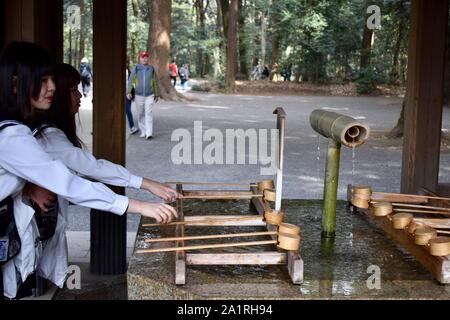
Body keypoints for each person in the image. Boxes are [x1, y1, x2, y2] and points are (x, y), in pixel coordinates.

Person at [0, 41, 178, 299]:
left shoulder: (17, 130)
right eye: (43, 80)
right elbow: (71, 182)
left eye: (53, 80)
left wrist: (27, 186)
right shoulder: (15, 135)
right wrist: (139, 205)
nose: (52, 87)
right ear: (16, 84)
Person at [127, 51, 159, 140]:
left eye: (146, 57)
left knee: (148, 113)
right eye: (142, 57)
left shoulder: (151, 68)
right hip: (138, 95)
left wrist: (157, 94)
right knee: (140, 114)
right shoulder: (136, 68)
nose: (144, 59)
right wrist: (128, 92)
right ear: (140, 59)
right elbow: (131, 80)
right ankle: (143, 130)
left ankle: (149, 133)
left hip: (150, 95)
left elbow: (155, 82)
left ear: (148, 58)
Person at [125, 69, 138, 134]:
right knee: (128, 111)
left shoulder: (129, 75)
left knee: (128, 111)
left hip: (128, 97)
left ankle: (132, 127)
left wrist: (133, 96)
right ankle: (132, 127)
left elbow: (132, 86)